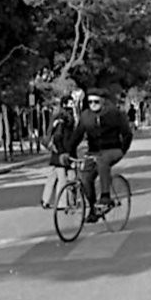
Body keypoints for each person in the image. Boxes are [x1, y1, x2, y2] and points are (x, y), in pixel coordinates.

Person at [62, 88, 133, 222]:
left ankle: (105, 197)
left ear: (103, 101)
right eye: (90, 102)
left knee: (103, 160)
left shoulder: (114, 113)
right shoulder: (85, 116)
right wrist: (67, 152)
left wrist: (122, 150)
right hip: (94, 151)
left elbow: (127, 134)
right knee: (85, 176)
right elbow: (77, 136)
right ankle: (94, 209)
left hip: (113, 149)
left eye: (96, 101)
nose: (93, 104)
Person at [40, 95, 76, 209]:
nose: (73, 104)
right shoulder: (65, 117)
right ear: (66, 104)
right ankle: (62, 203)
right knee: (63, 178)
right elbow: (60, 135)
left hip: (57, 150)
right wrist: (63, 151)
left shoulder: (57, 115)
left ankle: (45, 200)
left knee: (53, 175)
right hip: (61, 151)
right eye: (71, 102)